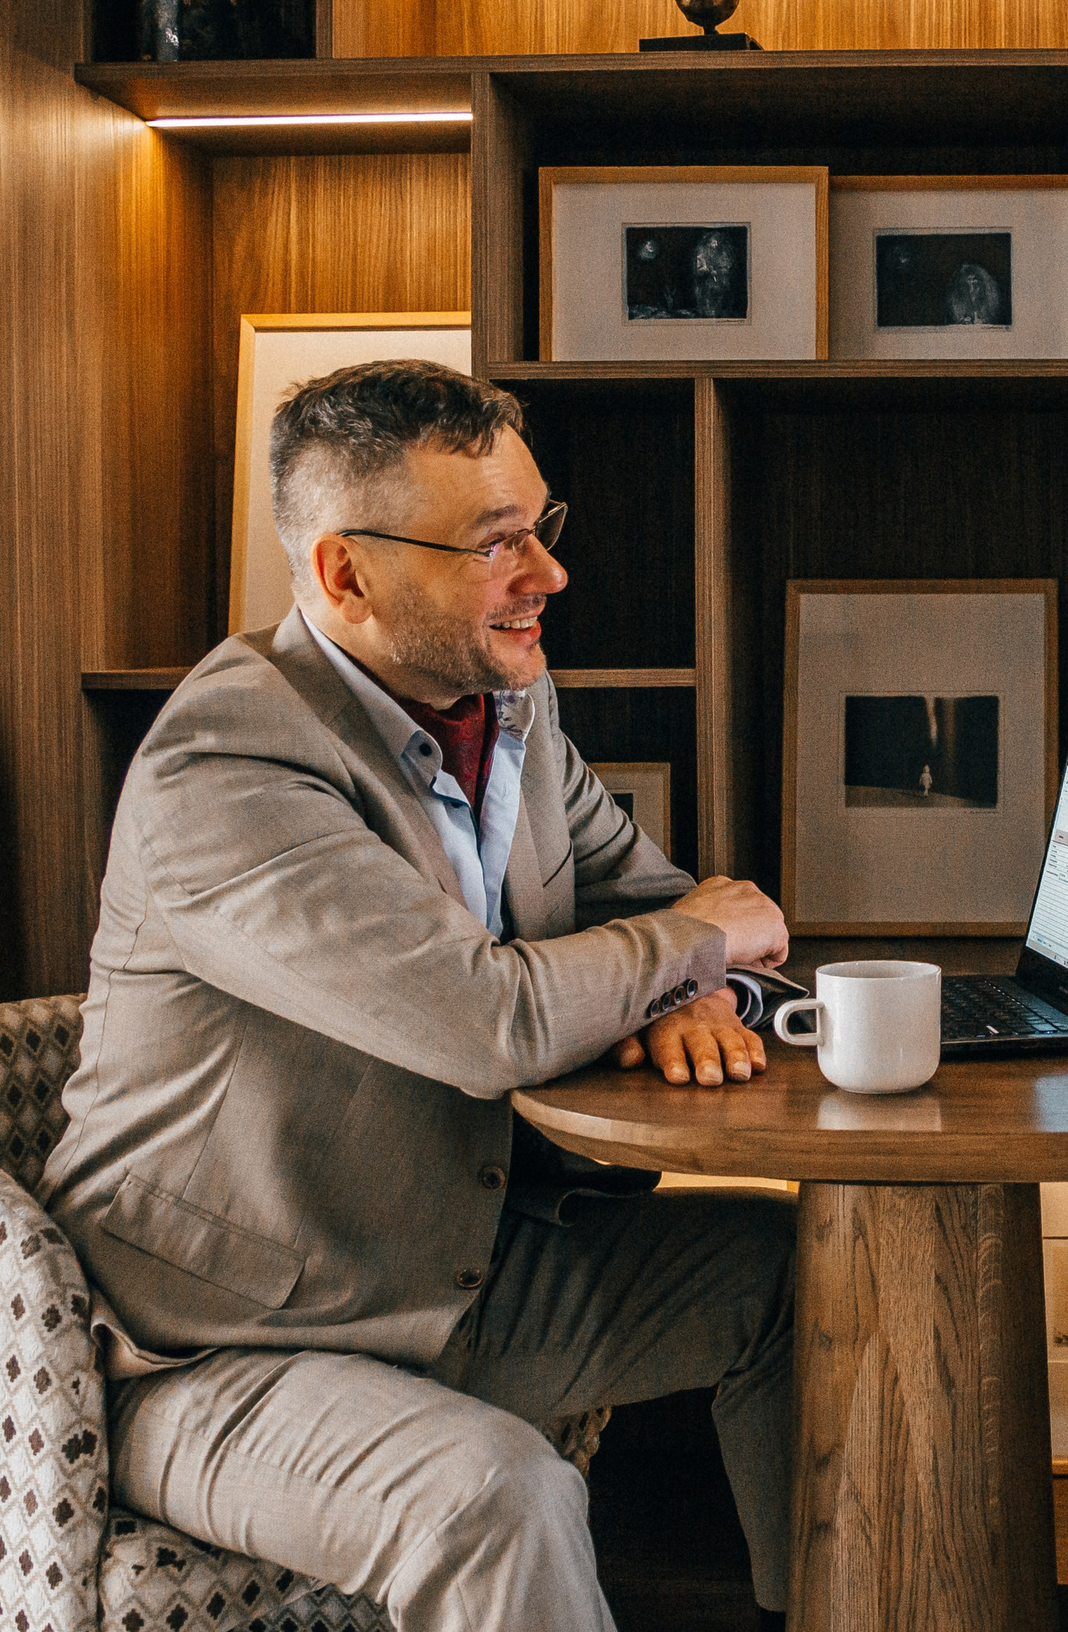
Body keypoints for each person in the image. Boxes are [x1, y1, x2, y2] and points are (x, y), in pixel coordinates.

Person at [40, 360, 797, 1632]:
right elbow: (482, 1021)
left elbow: (639, 893)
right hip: (226, 1354)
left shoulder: (506, 705)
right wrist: (685, 948)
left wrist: (675, 979)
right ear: (347, 575)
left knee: (794, 1279)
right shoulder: (226, 766)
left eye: (538, 528)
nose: (547, 575)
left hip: (452, 1278)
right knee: (499, 1495)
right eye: (497, 544)